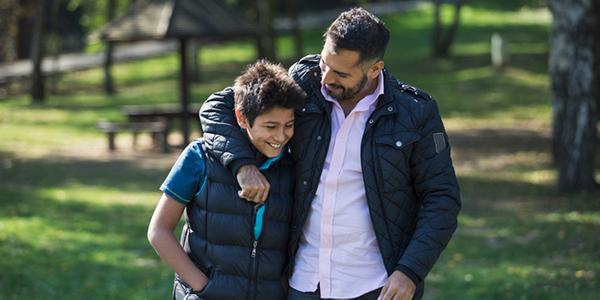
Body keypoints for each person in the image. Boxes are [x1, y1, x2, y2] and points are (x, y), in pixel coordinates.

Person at [199, 7, 461, 300]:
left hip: (375, 285)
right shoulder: (304, 79)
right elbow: (217, 107)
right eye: (325, 64)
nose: (325, 79)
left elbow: (442, 199)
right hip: (302, 281)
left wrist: (410, 271)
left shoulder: (415, 113)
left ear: (375, 69)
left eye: (341, 73)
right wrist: (242, 166)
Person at [148, 60, 306, 300]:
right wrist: (203, 287)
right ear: (242, 118)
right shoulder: (199, 157)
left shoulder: (292, 168)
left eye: (289, 125)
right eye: (271, 126)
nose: (281, 136)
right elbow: (159, 231)